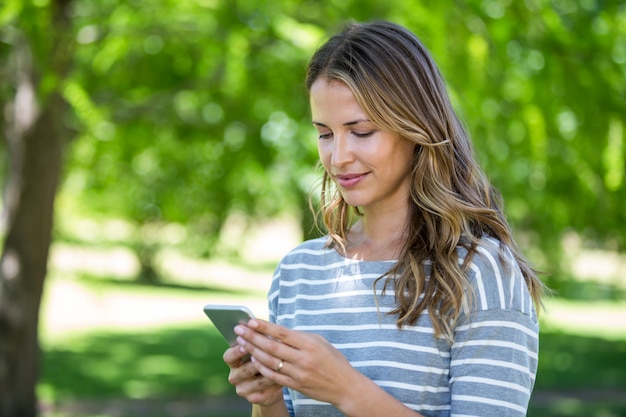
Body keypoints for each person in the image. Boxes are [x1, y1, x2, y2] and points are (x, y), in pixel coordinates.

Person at [223, 20, 545, 417]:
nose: (338, 157)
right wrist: (269, 399)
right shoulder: (298, 273)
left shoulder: (481, 272)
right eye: (325, 133)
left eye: (361, 131)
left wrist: (347, 390)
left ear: (415, 128)